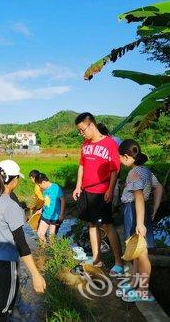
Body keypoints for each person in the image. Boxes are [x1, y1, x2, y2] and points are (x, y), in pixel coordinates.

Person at [0, 160, 46, 322]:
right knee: (2, 311)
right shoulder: (11, 206)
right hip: (6, 266)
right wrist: (36, 274)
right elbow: (22, 244)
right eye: (18, 178)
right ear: (13, 180)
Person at [72, 112, 124, 276]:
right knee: (92, 224)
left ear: (91, 125)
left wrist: (110, 189)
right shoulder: (85, 144)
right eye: (79, 131)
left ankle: (118, 262)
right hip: (87, 191)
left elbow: (115, 170)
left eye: (82, 130)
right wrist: (78, 186)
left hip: (102, 191)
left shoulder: (109, 144)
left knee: (107, 226)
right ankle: (97, 259)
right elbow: (82, 166)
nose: (81, 133)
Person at [117, 139, 163, 302]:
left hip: (135, 211)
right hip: (141, 211)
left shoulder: (134, 173)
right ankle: (135, 283)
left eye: (120, 158)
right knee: (136, 250)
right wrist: (155, 208)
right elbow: (159, 187)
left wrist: (139, 223)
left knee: (142, 254)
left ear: (127, 156)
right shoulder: (146, 171)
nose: (120, 161)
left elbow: (138, 197)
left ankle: (143, 291)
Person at [36, 173, 66, 242]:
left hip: (54, 217)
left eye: (39, 185)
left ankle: (52, 250)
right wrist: (41, 210)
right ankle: (44, 250)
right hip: (45, 214)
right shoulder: (44, 189)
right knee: (40, 234)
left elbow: (63, 200)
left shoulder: (56, 188)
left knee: (51, 237)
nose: (40, 187)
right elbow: (46, 201)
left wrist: (61, 214)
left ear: (43, 182)